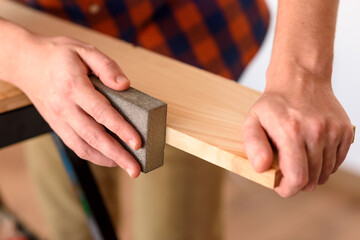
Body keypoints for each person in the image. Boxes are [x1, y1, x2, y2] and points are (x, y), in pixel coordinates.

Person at [0, 0, 354, 239]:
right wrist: (23, 58)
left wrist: (303, 74)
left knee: (177, 228)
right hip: (49, 39)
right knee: (72, 222)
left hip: (187, 34)